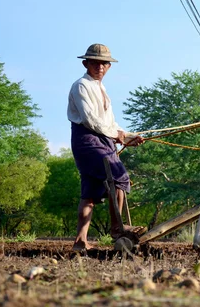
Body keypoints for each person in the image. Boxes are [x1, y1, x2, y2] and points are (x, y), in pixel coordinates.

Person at [68, 44, 145, 252]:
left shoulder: (101, 88)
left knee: (90, 194)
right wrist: (115, 135)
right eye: (94, 62)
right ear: (85, 63)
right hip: (88, 141)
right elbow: (90, 120)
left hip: (103, 140)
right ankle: (117, 228)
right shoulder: (81, 86)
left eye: (103, 63)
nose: (99, 67)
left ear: (109, 66)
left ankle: (80, 242)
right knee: (119, 176)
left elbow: (110, 123)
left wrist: (128, 137)